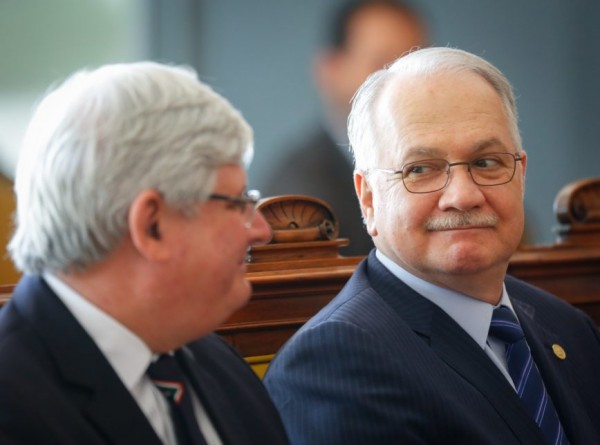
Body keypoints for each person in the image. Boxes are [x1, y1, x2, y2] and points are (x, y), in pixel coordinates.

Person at [264, 47, 600, 444]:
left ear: (520, 174)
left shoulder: (568, 327)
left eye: (487, 162)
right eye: (420, 169)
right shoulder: (332, 362)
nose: (463, 195)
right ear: (369, 198)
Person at [0, 62, 289, 445]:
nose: (262, 230)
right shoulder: (14, 405)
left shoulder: (220, 366)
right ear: (152, 225)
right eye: (237, 202)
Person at [261, 0, 428, 256]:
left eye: (418, 64)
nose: (406, 84)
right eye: (383, 65)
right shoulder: (300, 196)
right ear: (330, 70)